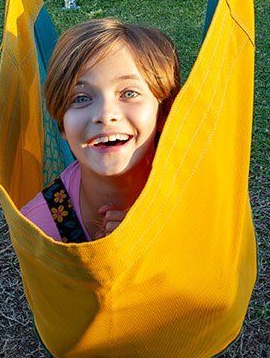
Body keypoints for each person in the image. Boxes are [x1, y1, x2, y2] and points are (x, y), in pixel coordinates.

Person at [20, 19, 181, 242]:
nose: (105, 115)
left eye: (129, 93)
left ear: (164, 111)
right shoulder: (41, 227)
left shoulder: (194, 193)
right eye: (81, 98)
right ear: (62, 123)